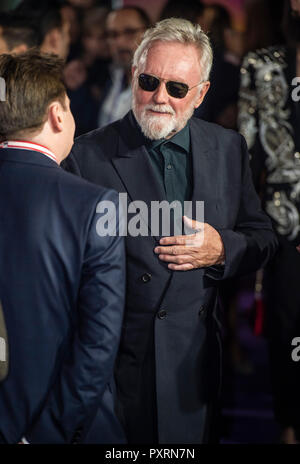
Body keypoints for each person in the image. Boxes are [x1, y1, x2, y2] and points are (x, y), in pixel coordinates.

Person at [64, 18, 278, 444]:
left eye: (177, 88)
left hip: (194, 369)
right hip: (118, 370)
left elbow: (264, 238)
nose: (160, 97)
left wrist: (222, 249)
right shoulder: (86, 156)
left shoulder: (227, 148)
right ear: (133, 77)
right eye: (149, 81)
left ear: (201, 94)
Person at [0, 51, 126, 444]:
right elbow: (98, 341)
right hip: (63, 428)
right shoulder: (95, 205)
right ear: (57, 114)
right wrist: (48, 432)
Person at [238, 0, 300, 445]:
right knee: (287, 326)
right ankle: (290, 426)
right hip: (283, 220)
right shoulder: (261, 67)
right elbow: (246, 153)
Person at [97, 6, 151, 128]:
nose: (120, 42)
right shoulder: (107, 78)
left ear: (149, 34)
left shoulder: (159, 85)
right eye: (113, 34)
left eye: (129, 32)